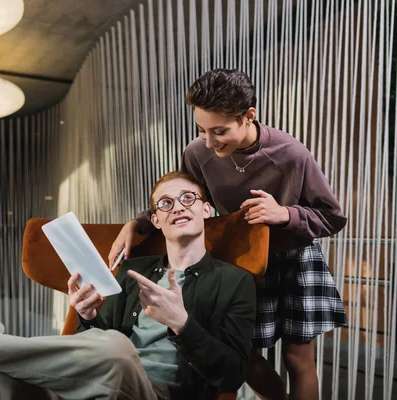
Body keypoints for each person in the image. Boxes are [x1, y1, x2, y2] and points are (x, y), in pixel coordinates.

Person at [0, 171, 257, 400]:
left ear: (206, 209)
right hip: (90, 383)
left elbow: (232, 375)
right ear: (155, 220)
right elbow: (92, 343)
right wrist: (86, 316)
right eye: (165, 204)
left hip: (156, 394)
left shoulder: (235, 282)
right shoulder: (133, 268)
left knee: (118, 350)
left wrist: (182, 323)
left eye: (188, 198)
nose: (178, 207)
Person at [108, 69, 347, 400]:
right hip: (240, 257)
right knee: (242, 355)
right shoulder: (197, 152)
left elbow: (333, 216)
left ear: (249, 116)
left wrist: (285, 214)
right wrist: (139, 223)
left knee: (297, 358)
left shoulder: (291, 153)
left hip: (293, 258)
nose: (209, 141)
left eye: (219, 131)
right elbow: (185, 198)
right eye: (202, 130)